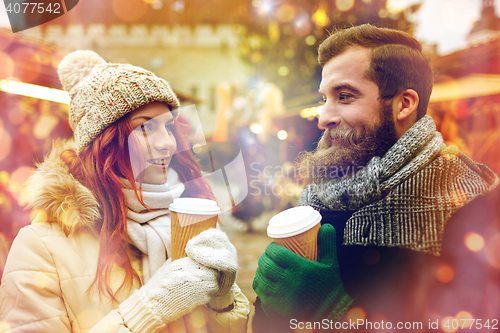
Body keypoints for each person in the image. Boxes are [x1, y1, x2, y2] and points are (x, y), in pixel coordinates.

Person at [252, 24, 499, 332]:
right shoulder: (315, 198)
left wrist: (338, 314)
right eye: (324, 99)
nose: (323, 117)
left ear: (404, 104)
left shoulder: (469, 202)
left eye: (344, 96)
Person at [0, 50, 250, 333]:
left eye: (168, 127)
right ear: (105, 142)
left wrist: (223, 301)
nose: (167, 142)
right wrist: (150, 309)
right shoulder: (40, 246)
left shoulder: (188, 220)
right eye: (145, 128)